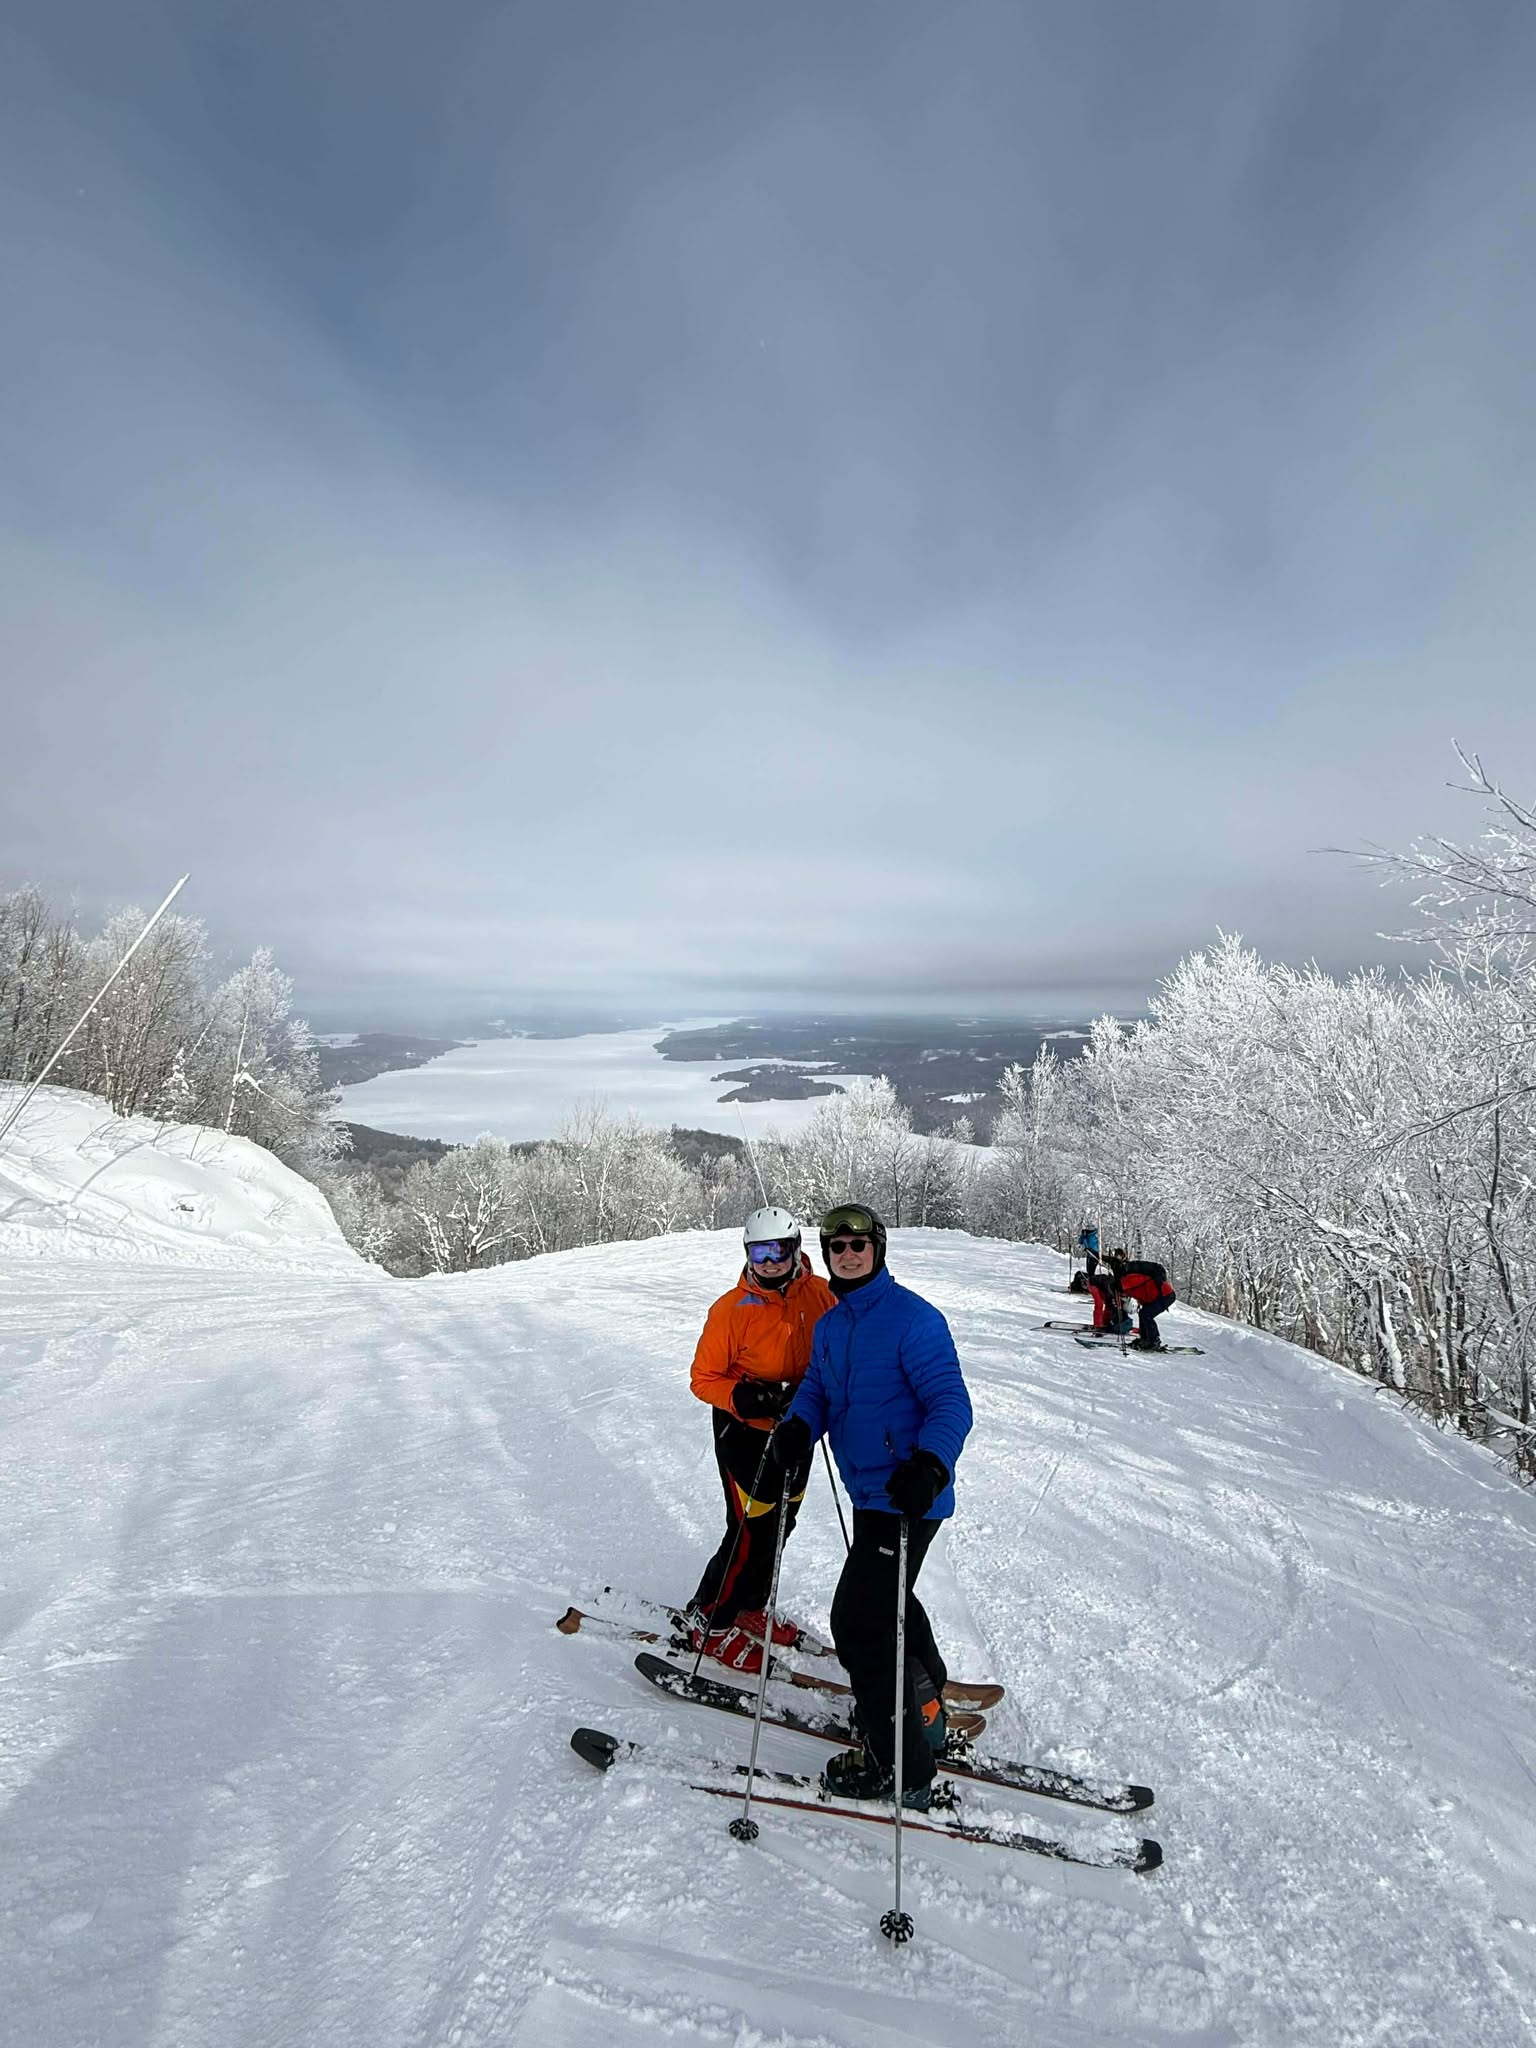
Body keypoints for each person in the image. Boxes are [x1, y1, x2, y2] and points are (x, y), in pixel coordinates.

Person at [770, 1202, 972, 1809]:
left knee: (858, 1621)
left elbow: (950, 1402)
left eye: (859, 1244)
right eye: (837, 1246)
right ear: (826, 1255)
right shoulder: (832, 1325)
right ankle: (926, 1705)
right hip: (870, 1495)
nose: (848, 1253)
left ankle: (901, 1765)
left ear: (878, 1249)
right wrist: (799, 1425)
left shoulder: (914, 1319)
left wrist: (931, 1465)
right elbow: (818, 1388)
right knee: (889, 1602)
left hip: (910, 1495)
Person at [685, 1205, 836, 1673]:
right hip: (744, 1432)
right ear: (749, 1253)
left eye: (779, 1250)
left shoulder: (822, 1295)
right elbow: (701, 1378)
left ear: (795, 1250)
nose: (770, 1262)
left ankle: (750, 1604)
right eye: (760, 1252)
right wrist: (742, 1396)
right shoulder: (731, 1309)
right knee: (750, 1530)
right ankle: (708, 1620)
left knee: (783, 1522)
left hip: (796, 1429)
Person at [1107, 1254, 1177, 1351]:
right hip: (1157, 1296)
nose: (1122, 1296)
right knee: (1143, 1313)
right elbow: (1141, 1295)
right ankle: (1145, 1338)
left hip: (1166, 1295)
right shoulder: (1129, 1289)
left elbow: (1137, 1282)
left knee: (1146, 1314)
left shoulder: (1128, 1281)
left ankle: (1153, 1341)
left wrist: (1119, 1285)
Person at [1086, 1267, 1133, 1336]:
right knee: (1099, 1303)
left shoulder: (1121, 1290)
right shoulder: (1112, 1289)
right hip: (1093, 1283)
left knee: (1109, 1306)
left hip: (1103, 1287)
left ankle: (1105, 1323)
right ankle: (1098, 1325)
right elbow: (1110, 1301)